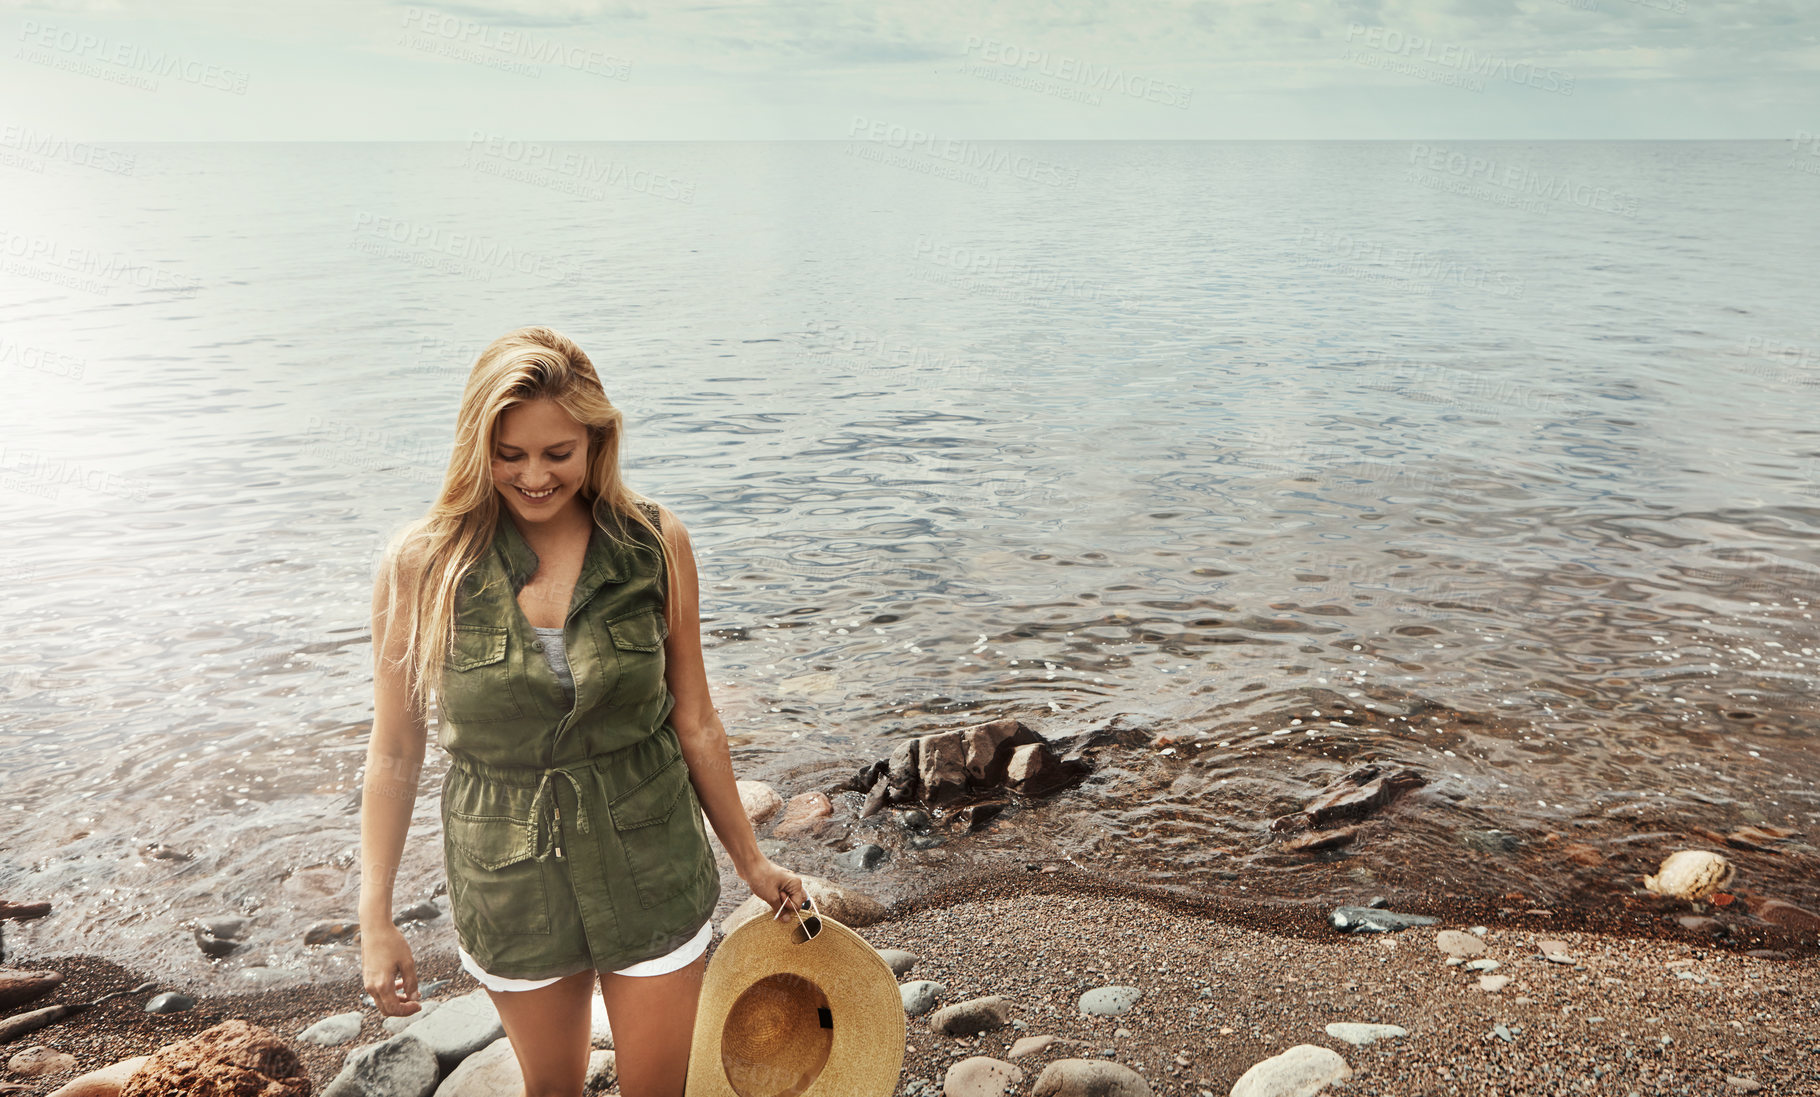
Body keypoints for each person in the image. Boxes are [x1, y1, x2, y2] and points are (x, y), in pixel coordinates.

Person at [356, 325, 808, 1097]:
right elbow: (396, 751)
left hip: (651, 854)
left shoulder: (655, 542)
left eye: (557, 453)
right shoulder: (421, 566)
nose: (534, 476)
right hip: (508, 876)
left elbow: (694, 718)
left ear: (597, 441)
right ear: (477, 447)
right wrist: (376, 915)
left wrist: (750, 859)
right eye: (511, 454)